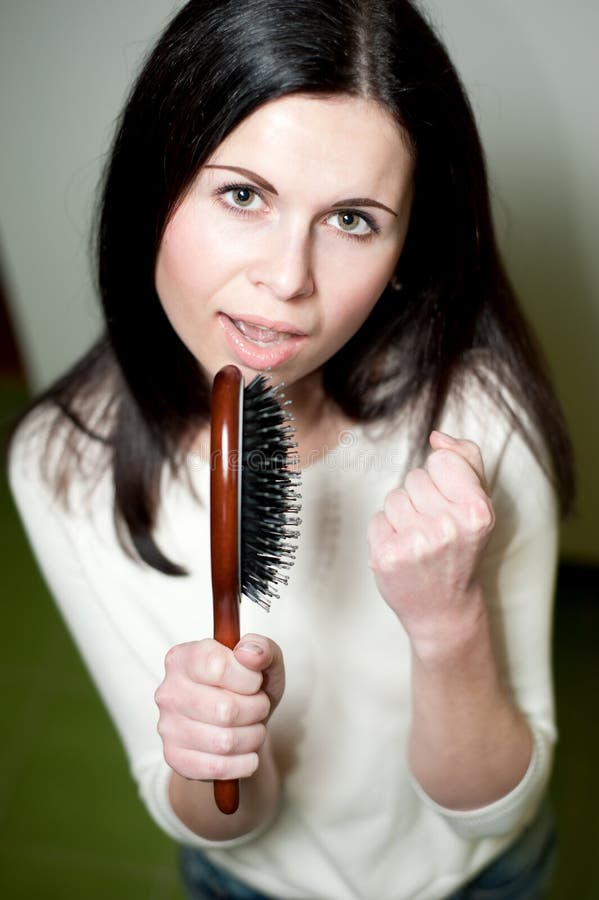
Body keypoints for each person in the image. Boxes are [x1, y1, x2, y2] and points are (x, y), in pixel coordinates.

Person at [8, 1, 574, 897]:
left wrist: (447, 624)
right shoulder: (63, 462)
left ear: (401, 250)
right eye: (242, 194)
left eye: (351, 219)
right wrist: (209, 754)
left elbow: (494, 811)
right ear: (153, 184)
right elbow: (230, 826)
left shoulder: (475, 421)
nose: (286, 280)